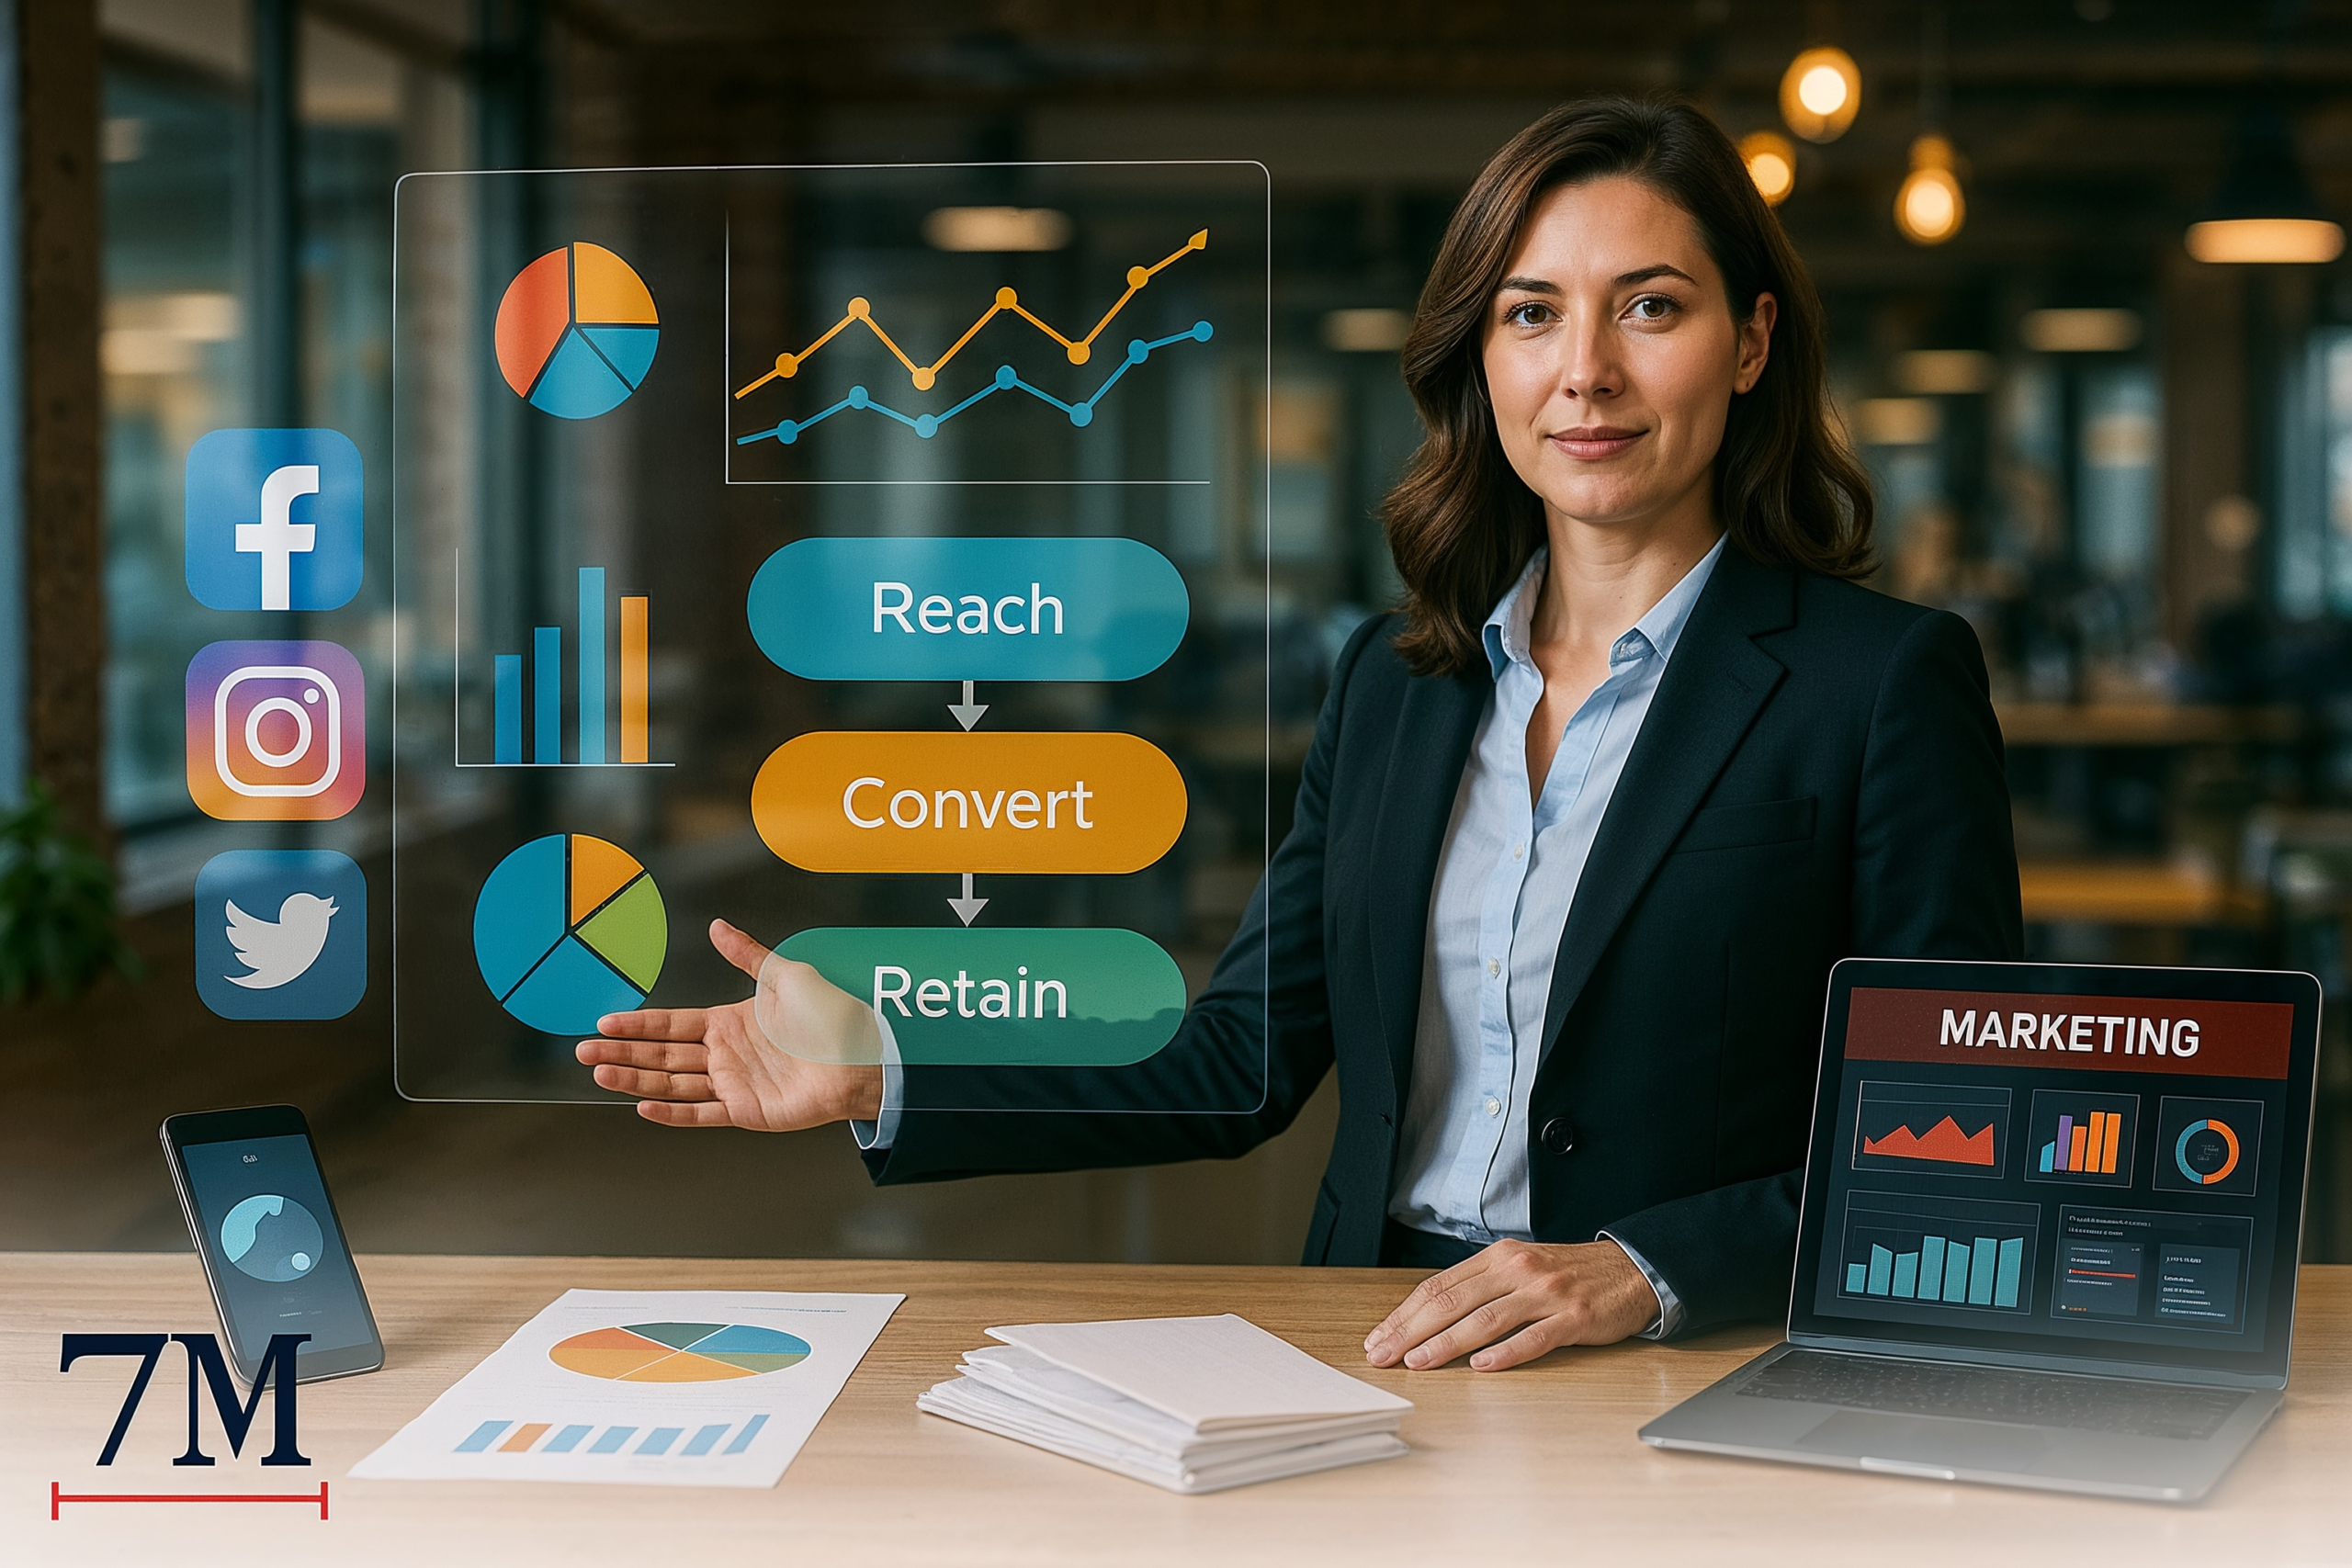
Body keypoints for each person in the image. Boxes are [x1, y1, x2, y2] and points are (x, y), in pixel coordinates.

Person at [578, 96, 2021, 1371]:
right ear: (1482, 357)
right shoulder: (1396, 682)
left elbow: (1958, 1134)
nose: (1585, 370)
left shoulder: (1881, 681)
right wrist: (880, 1072)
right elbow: (1237, 1062)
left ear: (1751, 341)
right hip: (1384, 1330)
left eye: (1649, 308)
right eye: (1531, 313)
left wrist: (1643, 1269)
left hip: (1694, 1353)